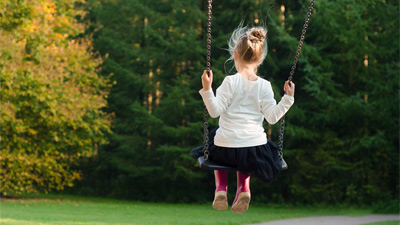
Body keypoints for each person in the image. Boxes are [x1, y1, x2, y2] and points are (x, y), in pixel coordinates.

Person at [198, 26, 295, 213]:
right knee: (246, 151)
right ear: (261, 59)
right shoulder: (265, 86)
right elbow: (273, 118)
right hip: (254, 150)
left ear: (235, 54)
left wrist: (207, 89)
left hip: (226, 148)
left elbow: (214, 112)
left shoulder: (229, 82)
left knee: (214, 139)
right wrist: (288, 99)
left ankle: (220, 189)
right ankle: (244, 188)